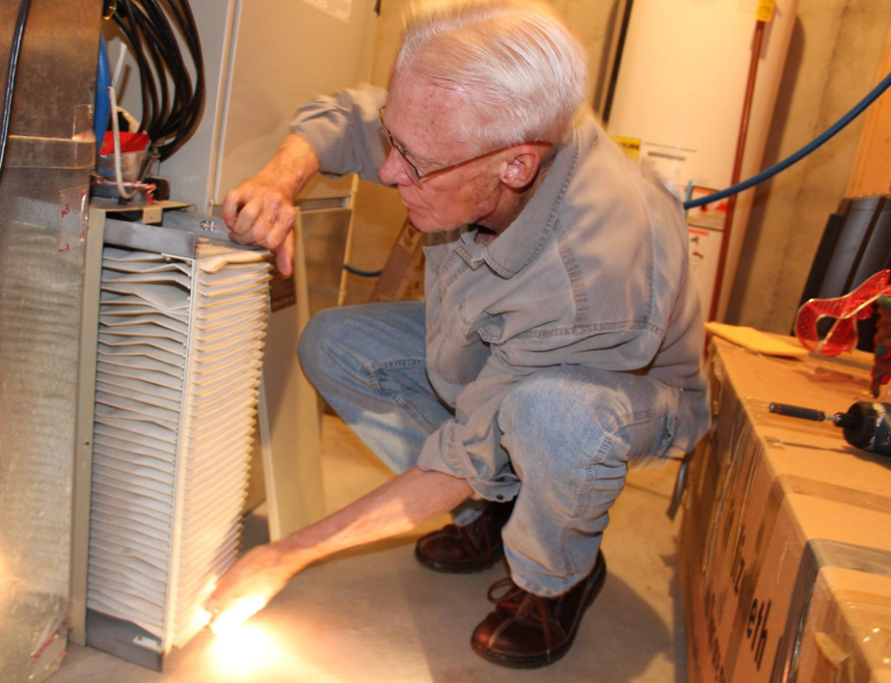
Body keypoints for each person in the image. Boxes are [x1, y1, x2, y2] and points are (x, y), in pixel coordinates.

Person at [206, 0, 709, 669]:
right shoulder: (487, 124)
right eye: (397, 141)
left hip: (620, 390)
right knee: (332, 343)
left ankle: (557, 576)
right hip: (507, 334)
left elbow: (462, 449)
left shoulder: (591, 276)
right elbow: (359, 112)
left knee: (554, 417)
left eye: (414, 161)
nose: (388, 173)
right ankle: (493, 513)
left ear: (516, 167)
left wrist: (286, 554)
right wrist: (280, 178)